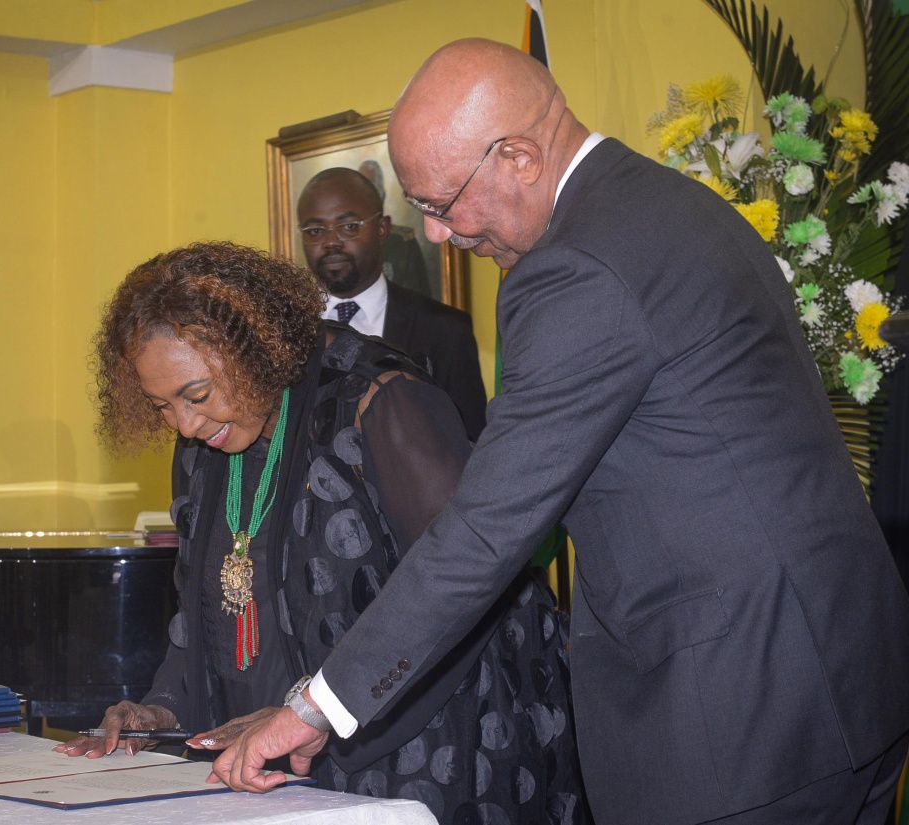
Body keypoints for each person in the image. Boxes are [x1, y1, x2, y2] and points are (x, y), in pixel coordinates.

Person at [210, 39, 909, 825]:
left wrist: (316, 704)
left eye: (440, 204)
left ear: (518, 156)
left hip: (739, 713)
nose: (438, 236)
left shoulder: (575, 268)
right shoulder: (668, 202)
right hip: (841, 677)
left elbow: (484, 530)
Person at [55, 241, 588, 823]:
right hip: (291, 752)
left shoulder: (379, 400)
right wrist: (159, 711)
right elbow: (206, 611)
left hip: (443, 748)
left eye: (196, 395)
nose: (183, 422)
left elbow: (467, 592)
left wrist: (319, 711)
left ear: (252, 349)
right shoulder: (205, 439)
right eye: (161, 406)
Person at [298, 167, 487, 440]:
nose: (330, 242)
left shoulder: (445, 331)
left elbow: (469, 443)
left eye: (349, 227)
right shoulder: (281, 329)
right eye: (315, 230)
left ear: (382, 229)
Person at [356, 159, 434, 299]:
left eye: (369, 188)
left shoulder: (403, 243)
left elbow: (421, 299)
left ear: (381, 195)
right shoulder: (346, 243)